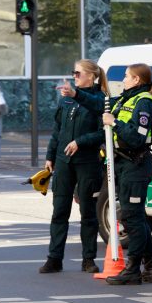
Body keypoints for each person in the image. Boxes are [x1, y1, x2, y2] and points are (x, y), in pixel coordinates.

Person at [72, 63, 152, 285]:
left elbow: (137, 138)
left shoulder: (144, 102)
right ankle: (150, 268)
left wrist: (115, 122)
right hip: (122, 164)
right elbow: (99, 105)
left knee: (133, 217)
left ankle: (133, 270)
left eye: (127, 76)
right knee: (133, 218)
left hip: (135, 165)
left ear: (137, 80)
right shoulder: (126, 99)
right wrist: (76, 94)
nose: (124, 80)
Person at [38, 60, 108, 274]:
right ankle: (54, 258)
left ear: (91, 76)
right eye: (73, 73)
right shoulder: (66, 100)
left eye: (78, 73)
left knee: (88, 212)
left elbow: (102, 132)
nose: (75, 77)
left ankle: (88, 259)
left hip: (87, 163)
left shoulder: (100, 100)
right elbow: (58, 130)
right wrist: (50, 155)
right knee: (59, 211)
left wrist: (81, 142)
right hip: (63, 161)